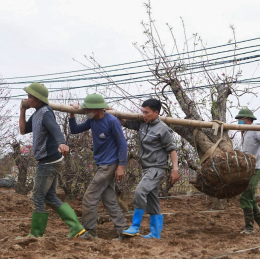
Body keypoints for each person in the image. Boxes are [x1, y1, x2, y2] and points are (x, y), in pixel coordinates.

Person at [19, 82, 86, 238]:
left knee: (36, 197)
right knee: (50, 197)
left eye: (30, 96)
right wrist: (22, 109)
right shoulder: (36, 114)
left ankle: (35, 235)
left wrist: (62, 142)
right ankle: (76, 227)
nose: (28, 99)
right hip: (50, 161)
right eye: (27, 96)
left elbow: (55, 128)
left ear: (39, 99)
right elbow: (23, 130)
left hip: (48, 161)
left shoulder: (45, 112)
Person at [69, 94, 129, 239]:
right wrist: (71, 115)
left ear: (96, 110)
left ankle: (89, 231)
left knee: (89, 197)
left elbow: (122, 144)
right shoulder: (92, 121)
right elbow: (75, 130)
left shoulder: (112, 121)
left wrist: (121, 166)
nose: (85, 112)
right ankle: (124, 230)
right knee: (108, 199)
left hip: (109, 164)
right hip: (102, 164)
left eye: (87, 109)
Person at [120, 99, 180, 239]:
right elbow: (124, 122)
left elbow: (172, 150)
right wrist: (112, 111)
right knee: (152, 200)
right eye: (142, 112)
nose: (144, 115)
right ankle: (155, 234)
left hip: (156, 168)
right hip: (146, 168)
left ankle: (135, 226)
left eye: (146, 112)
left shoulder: (163, 129)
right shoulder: (143, 124)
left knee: (139, 192)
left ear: (156, 112)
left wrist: (175, 169)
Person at [235, 108, 260, 234]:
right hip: (248, 169)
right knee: (249, 197)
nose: (238, 122)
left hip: (257, 168)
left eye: (240, 119)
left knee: (245, 197)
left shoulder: (255, 129)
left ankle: (249, 228)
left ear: (247, 119)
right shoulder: (245, 132)